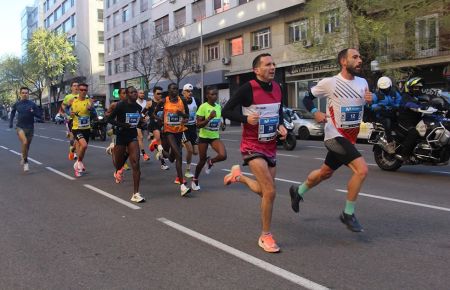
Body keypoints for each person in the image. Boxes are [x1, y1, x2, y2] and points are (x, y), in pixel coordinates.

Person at [289, 48, 372, 233]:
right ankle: (348, 214)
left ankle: (298, 191)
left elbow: (367, 110)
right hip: (334, 136)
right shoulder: (330, 83)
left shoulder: (363, 82)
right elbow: (307, 98)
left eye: (360, 57)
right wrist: (315, 112)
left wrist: (370, 101)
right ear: (343, 61)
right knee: (362, 170)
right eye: (355, 57)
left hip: (350, 138)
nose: (360, 60)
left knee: (325, 173)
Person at [222, 53, 287, 253]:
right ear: (256, 70)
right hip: (252, 146)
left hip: (270, 145)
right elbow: (226, 111)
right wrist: (245, 119)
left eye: (274, 63)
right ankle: (265, 236)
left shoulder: (277, 87)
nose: (272, 67)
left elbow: (279, 111)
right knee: (270, 192)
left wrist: (282, 126)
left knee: (264, 191)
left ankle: (239, 177)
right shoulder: (247, 88)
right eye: (268, 64)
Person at [107, 86, 145, 203]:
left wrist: (142, 124)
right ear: (127, 94)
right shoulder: (121, 105)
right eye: (132, 92)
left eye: (135, 92)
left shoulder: (138, 107)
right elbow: (109, 119)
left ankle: (136, 193)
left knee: (135, 163)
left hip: (132, 137)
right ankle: (113, 149)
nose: (135, 94)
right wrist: (123, 125)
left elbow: (138, 122)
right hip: (121, 136)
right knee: (118, 165)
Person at [153, 83, 191, 196]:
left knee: (171, 158)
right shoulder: (164, 101)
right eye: (172, 89)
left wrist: (182, 115)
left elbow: (187, 116)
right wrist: (160, 119)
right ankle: (182, 186)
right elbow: (153, 114)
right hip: (168, 132)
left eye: (176, 89)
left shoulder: (182, 100)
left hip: (179, 131)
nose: (175, 91)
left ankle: (162, 152)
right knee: (178, 155)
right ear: (168, 90)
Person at [191, 86, 227, 191]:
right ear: (207, 96)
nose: (214, 96)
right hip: (204, 137)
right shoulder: (203, 107)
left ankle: (210, 162)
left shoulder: (218, 106)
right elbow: (198, 125)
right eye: (212, 94)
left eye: (216, 94)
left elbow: (219, 119)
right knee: (202, 160)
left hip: (214, 136)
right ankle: (195, 178)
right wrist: (209, 118)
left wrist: (222, 124)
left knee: (223, 155)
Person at [9, 87, 42, 172]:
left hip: (30, 127)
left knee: (27, 147)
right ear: (20, 94)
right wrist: (11, 122)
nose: (25, 94)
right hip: (20, 127)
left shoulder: (32, 104)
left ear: (28, 94)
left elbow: (39, 115)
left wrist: (33, 112)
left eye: (26, 93)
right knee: (24, 141)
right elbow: (12, 112)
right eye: (23, 93)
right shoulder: (17, 104)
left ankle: (23, 155)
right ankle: (26, 162)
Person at [394, 77, 425, 161]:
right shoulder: (405, 96)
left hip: (415, 122)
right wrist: (420, 107)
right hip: (404, 122)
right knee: (414, 133)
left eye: (419, 88)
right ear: (409, 88)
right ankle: (404, 154)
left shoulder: (417, 98)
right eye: (415, 88)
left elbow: (428, 102)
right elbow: (409, 104)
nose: (417, 89)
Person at [370, 76, 402, 153]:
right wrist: (379, 106)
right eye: (383, 88)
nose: (385, 89)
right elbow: (370, 105)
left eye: (386, 88)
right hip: (382, 116)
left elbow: (400, 102)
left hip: (393, 114)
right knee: (387, 123)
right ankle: (390, 143)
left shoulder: (394, 93)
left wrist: (395, 107)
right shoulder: (376, 95)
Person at [69, 83, 94, 177]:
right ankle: (79, 162)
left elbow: (93, 111)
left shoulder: (89, 101)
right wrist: (70, 114)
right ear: (78, 91)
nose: (83, 92)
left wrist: (91, 108)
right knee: (84, 145)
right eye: (82, 90)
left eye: (85, 90)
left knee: (81, 148)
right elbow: (68, 112)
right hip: (76, 128)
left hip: (86, 128)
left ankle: (77, 166)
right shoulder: (72, 101)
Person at [105, 88, 130, 174]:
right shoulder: (114, 105)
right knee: (119, 149)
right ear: (119, 95)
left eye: (127, 93)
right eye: (123, 93)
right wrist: (114, 115)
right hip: (117, 129)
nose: (126, 95)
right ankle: (120, 165)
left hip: (127, 130)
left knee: (128, 149)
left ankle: (123, 163)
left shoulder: (131, 104)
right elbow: (107, 114)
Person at [147, 86, 169, 170]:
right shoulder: (150, 103)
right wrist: (143, 117)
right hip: (153, 125)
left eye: (161, 93)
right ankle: (163, 164)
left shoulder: (163, 103)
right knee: (159, 141)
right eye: (158, 93)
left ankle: (155, 143)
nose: (160, 95)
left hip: (162, 125)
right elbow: (143, 113)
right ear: (154, 94)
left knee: (164, 144)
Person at [181, 83, 199, 178]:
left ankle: (181, 143)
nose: (190, 93)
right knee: (190, 150)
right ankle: (188, 170)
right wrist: (183, 119)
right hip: (184, 128)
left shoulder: (196, 100)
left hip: (193, 128)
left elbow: (200, 112)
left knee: (196, 152)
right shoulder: (180, 102)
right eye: (188, 91)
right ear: (183, 92)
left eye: (191, 91)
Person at [59, 81, 79, 160]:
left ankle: (73, 150)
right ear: (71, 88)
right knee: (73, 137)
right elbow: (63, 106)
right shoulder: (68, 97)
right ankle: (74, 153)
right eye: (74, 85)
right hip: (71, 119)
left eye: (77, 85)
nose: (76, 87)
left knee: (79, 138)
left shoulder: (82, 95)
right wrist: (67, 114)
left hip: (80, 120)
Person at [136, 89, 151, 161]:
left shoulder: (146, 102)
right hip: (138, 122)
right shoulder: (135, 102)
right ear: (137, 94)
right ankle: (144, 154)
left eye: (143, 93)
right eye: (140, 93)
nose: (142, 94)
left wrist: (148, 117)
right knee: (140, 137)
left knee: (150, 137)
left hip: (146, 122)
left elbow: (149, 112)